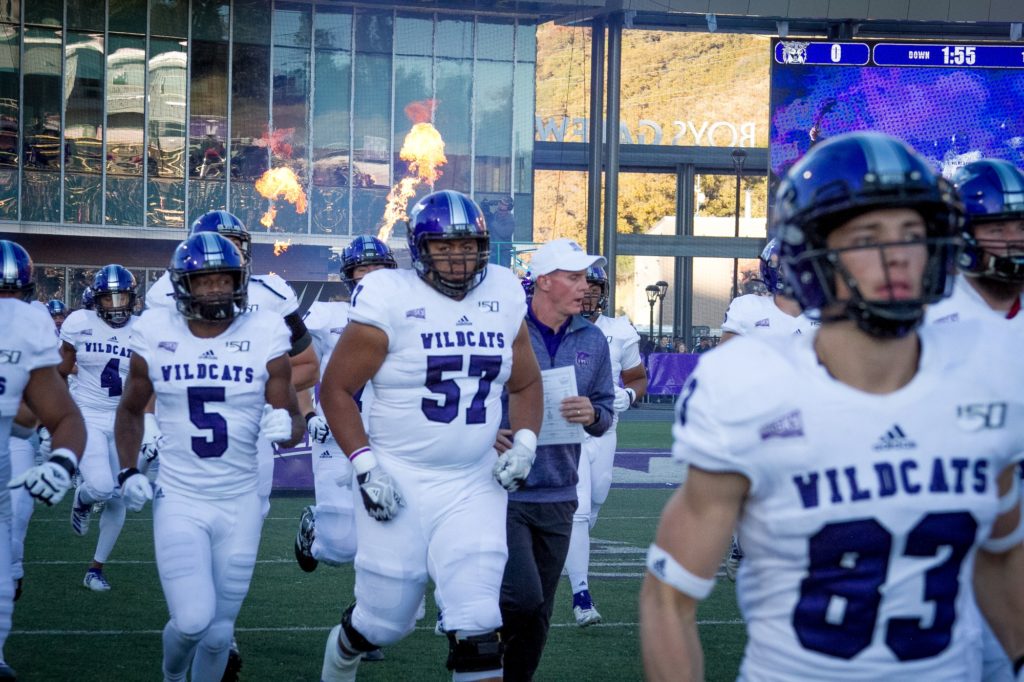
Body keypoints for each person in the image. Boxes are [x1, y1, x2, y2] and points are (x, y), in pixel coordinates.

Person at [641, 131, 1024, 681]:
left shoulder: (989, 369)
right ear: (813, 254)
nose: (897, 257)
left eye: (912, 235)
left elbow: (1004, 550)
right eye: (867, 238)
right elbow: (668, 599)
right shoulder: (752, 384)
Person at [317, 189, 543, 682]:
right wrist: (365, 467)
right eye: (444, 246)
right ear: (419, 248)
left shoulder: (503, 291)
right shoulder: (388, 295)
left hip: (472, 481)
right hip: (399, 475)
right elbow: (336, 389)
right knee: (383, 623)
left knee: (479, 620)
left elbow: (526, 383)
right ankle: (340, 661)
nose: (459, 257)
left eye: (468, 245)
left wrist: (525, 441)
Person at [114, 232, 303, 682]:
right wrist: (126, 471)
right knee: (193, 620)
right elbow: (129, 409)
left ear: (241, 280)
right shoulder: (155, 333)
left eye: (224, 279)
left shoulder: (265, 332)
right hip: (181, 497)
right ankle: (173, 676)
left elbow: (293, 418)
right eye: (204, 281)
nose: (216, 289)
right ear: (184, 285)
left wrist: (287, 428)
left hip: (239, 501)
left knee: (219, 635)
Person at [925, 158, 1024, 681]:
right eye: (997, 226)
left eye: (1021, 225)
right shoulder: (927, 316)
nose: (1013, 238)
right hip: (959, 534)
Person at [501, 238, 615, 681]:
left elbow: (606, 409)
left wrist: (594, 414)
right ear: (544, 282)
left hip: (561, 491)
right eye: (574, 277)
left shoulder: (594, 338)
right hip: (505, 490)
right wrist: (490, 431)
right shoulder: (507, 329)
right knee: (522, 597)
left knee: (540, 612)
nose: (585, 286)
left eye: (586, 277)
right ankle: (476, 646)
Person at [2, 239, 87, 680]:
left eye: (11, 294)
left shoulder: (31, 325)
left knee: (13, 522)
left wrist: (60, 462)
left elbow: (54, 411)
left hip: (9, 448)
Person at [294, 235, 397, 574]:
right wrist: (309, 414)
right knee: (339, 548)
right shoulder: (328, 315)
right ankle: (313, 528)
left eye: (378, 268)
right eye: (362, 269)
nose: (370, 276)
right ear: (348, 276)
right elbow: (301, 367)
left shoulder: (409, 316)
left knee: (396, 525)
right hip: (336, 434)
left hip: (390, 436)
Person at [562, 264, 647, 626]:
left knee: (597, 497)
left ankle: (572, 545)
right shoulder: (554, 329)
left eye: (594, 287)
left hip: (605, 427)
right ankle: (581, 595)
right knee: (578, 511)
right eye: (582, 286)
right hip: (567, 431)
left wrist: (629, 394)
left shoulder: (619, 331)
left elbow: (638, 378)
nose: (588, 294)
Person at [58, 264, 144, 591]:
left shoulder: (143, 328)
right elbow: (60, 369)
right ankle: (82, 498)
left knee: (119, 497)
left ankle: (96, 567)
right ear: (96, 300)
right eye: (110, 299)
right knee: (102, 487)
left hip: (123, 420)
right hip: (88, 415)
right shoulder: (79, 323)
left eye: (123, 297)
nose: (117, 304)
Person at [719, 238, 819, 342]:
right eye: (784, 267)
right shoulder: (747, 307)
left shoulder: (824, 312)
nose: (790, 275)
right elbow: (724, 354)